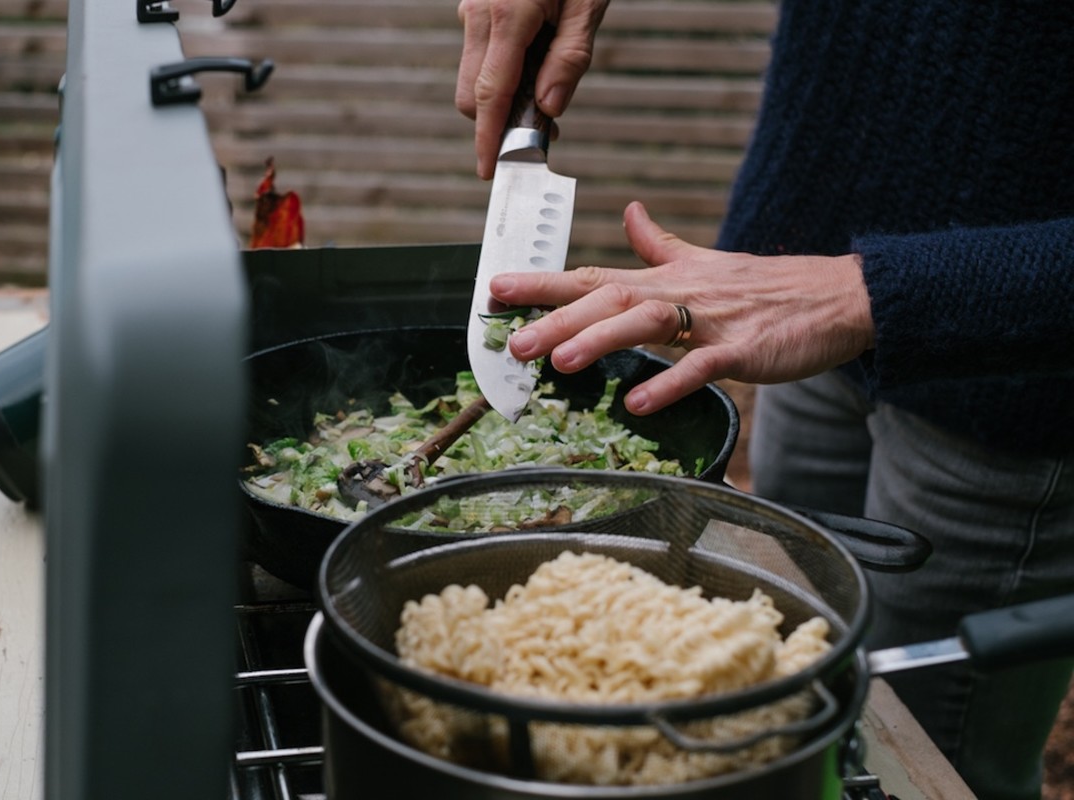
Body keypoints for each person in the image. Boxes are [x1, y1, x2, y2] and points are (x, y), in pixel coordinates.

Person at [455, 2, 1074, 799]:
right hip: (799, 285)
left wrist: (864, 297)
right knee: (782, 694)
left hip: (1008, 386)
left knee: (929, 766)